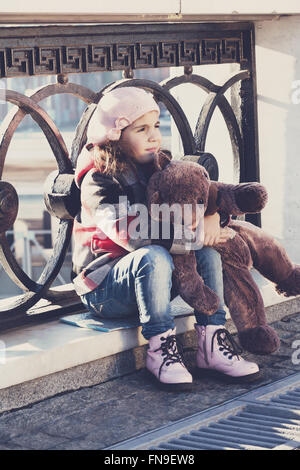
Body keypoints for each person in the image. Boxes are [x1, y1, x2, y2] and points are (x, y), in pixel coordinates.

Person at [71, 86, 259, 391]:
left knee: (208, 255)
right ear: (115, 135)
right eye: (141, 129)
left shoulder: (159, 167)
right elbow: (133, 234)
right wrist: (197, 235)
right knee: (154, 255)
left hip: (155, 282)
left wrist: (213, 217)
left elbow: (198, 196)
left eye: (156, 126)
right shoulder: (99, 180)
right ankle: (160, 349)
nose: (153, 136)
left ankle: (212, 341)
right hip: (105, 286)